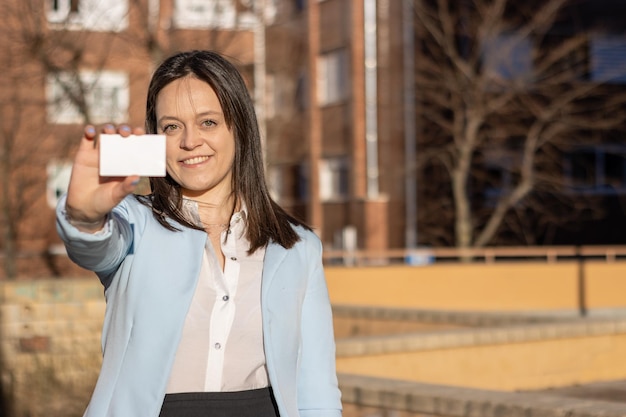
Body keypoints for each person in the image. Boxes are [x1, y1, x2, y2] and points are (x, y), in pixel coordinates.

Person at [56, 50, 342, 417]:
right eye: (171, 126)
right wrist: (82, 215)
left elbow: (316, 391)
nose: (189, 141)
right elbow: (94, 245)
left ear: (238, 126)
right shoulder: (133, 222)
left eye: (208, 122)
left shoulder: (298, 246)